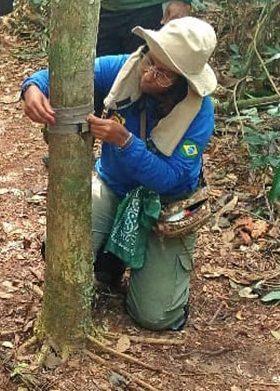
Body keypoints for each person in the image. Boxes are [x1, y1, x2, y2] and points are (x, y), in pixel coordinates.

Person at [21, 17, 216, 330]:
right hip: (115, 186)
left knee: (156, 316)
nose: (150, 75)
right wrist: (33, 88)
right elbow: (69, 75)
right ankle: (111, 259)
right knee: (60, 247)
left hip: (165, 204)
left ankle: (148, 263)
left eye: (164, 75)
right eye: (151, 61)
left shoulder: (199, 112)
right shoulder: (126, 69)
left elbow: (174, 178)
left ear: (183, 83)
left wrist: (125, 142)